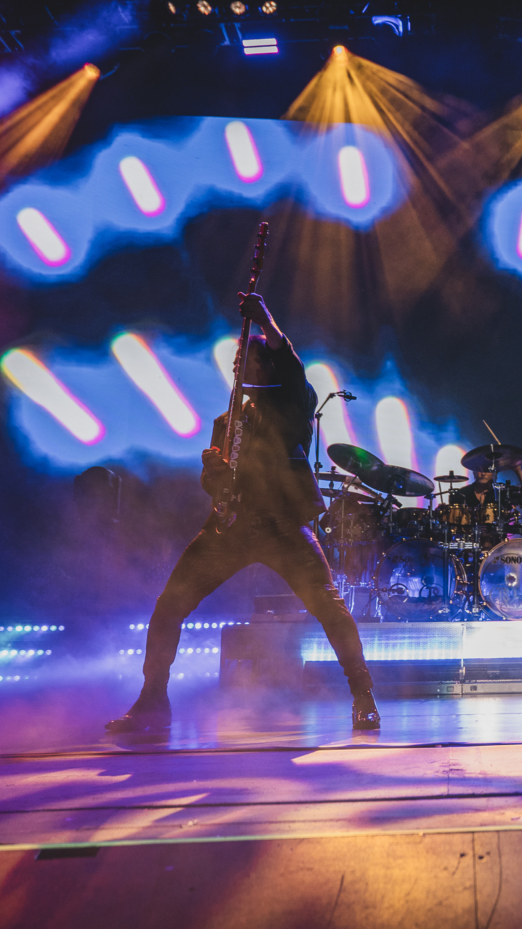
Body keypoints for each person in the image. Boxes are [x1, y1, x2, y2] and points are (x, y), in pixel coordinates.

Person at [107, 292, 379, 733]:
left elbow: (291, 367)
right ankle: (152, 700)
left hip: (283, 528)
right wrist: (211, 472)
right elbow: (215, 485)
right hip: (230, 528)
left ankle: (363, 695)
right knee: (168, 606)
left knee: (329, 608)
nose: (237, 366)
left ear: (266, 366)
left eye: (246, 360)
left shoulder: (292, 404)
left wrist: (267, 322)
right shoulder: (227, 419)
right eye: (235, 361)